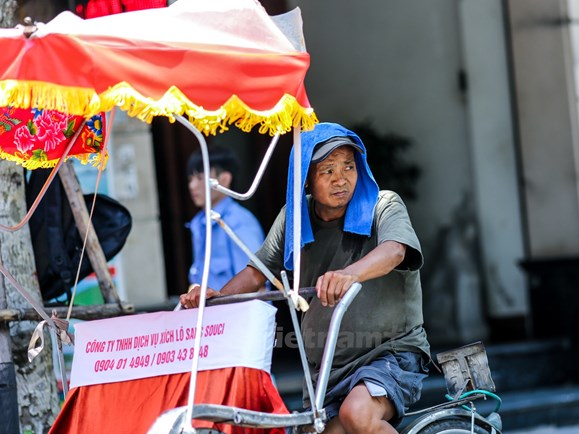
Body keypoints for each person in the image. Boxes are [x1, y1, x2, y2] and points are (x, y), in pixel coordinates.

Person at [181, 123, 430, 434]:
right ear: (306, 181)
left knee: (357, 414)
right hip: (327, 368)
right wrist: (214, 298)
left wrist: (348, 274)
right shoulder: (294, 218)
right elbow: (257, 272)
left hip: (390, 353)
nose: (341, 179)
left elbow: (394, 251)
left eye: (349, 167)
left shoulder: (383, 205)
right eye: (328, 171)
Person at [186, 145, 266, 292]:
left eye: (199, 178)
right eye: (190, 179)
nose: (192, 185)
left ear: (224, 179)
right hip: (209, 313)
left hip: (237, 313)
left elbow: (255, 280)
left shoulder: (239, 221)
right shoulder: (198, 223)